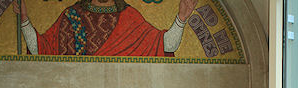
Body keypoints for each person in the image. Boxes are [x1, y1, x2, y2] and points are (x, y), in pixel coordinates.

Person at [13, 0, 197, 57]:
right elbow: (41, 49)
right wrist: (23, 19)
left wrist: (181, 18)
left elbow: (165, 46)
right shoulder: (71, 15)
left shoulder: (130, 17)